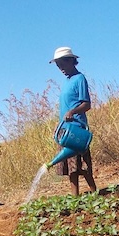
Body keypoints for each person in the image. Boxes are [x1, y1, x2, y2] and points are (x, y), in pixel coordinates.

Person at [50, 46, 97, 195]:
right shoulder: (66, 82)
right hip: (65, 129)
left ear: (71, 61)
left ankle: (94, 191)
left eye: (62, 65)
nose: (61, 69)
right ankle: (74, 197)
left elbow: (87, 104)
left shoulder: (79, 79)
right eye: (58, 66)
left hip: (76, 129)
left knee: (82, 164)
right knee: (71, 167)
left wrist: (73, 111)